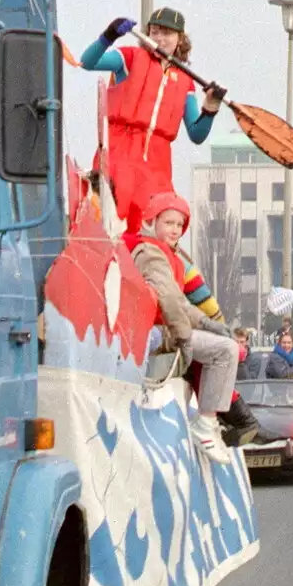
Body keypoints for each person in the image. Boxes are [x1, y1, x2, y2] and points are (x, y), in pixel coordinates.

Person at [80, 8, 225, 232]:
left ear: (180, 39)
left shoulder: (186, 81)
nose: (159, 38)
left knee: (156, 229)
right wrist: (109, 35)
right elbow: (88, 61)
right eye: (155, 31)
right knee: (114, 224)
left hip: (158, 170)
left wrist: (211, 108)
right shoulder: (129, 58)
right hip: (120, 157)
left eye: (167, 33)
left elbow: (197, 134)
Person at [124, 191, 242, 462]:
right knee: (224, 351)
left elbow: (179, 302)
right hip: (155, 333)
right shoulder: (151, 253)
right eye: (168, 223)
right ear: (153, 221)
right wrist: (185, 337)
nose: (175, 230)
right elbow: (169, 300)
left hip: (165, 329)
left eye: (179, 225)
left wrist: (207, 323)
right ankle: (207, 421)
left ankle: (211, 420)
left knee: (224, 344)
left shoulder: (167, 254)